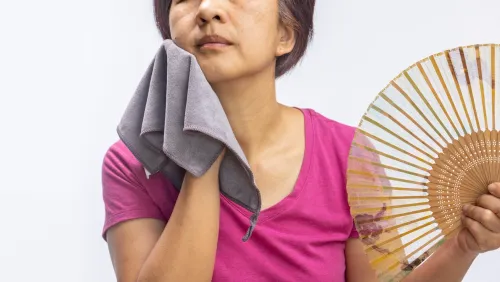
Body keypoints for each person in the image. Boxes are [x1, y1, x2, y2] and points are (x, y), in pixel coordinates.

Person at [101, 0, 500, 281]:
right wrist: (201, 152)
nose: (207, 9)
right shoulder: (133, 164)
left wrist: (463, 245)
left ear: (285, 35)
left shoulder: (348, 156)